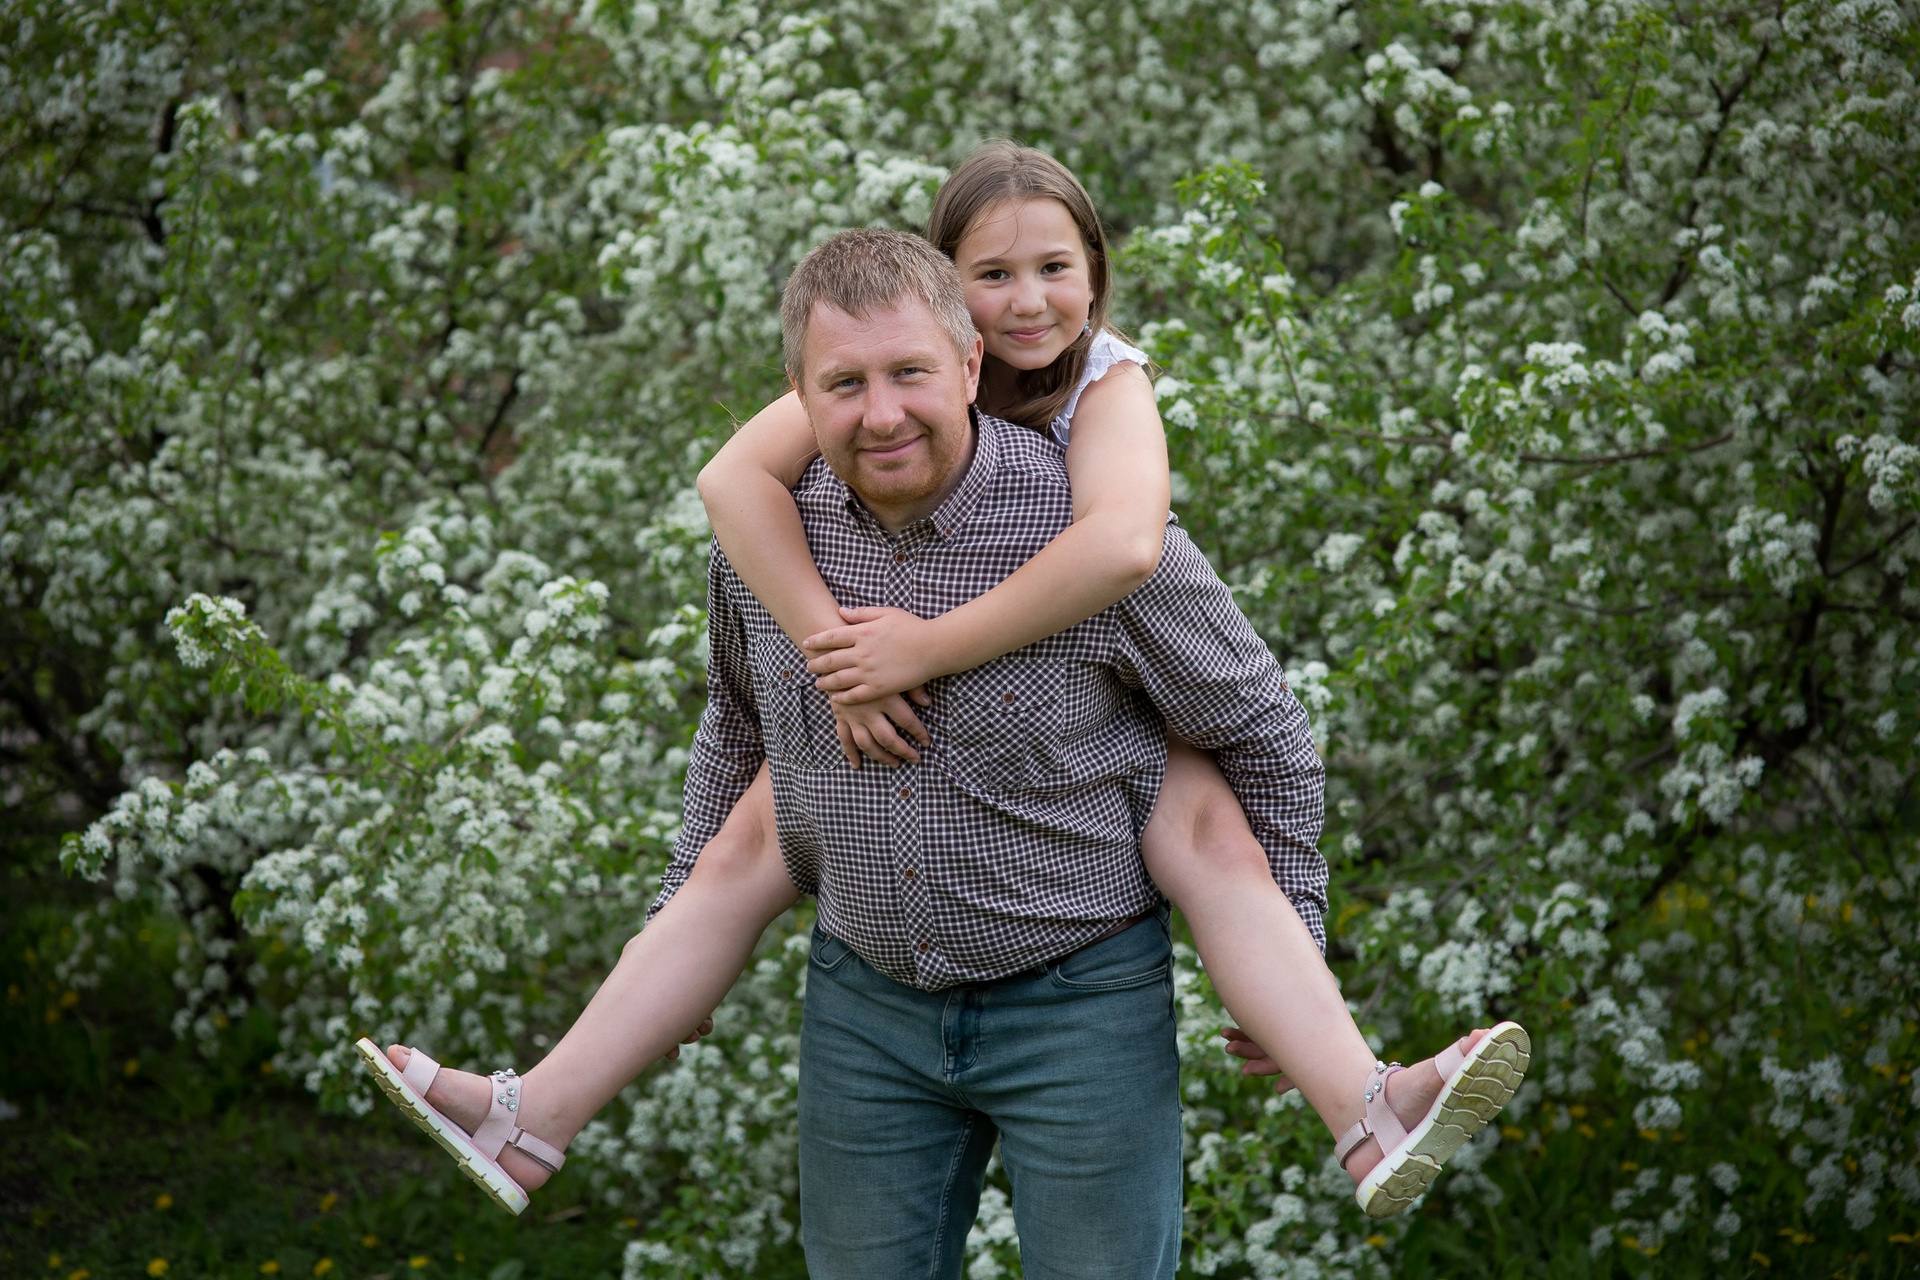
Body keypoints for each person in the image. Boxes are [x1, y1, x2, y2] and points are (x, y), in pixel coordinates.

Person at [355, 153, 1528, 1248]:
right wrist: (822, 664)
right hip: (866, 997)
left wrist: (1300, 938)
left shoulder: (1099, 462)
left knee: (1202, 817)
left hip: (1080, 985)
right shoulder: (780, 525)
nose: (882, 409)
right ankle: (530, 1114)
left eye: (912, 371)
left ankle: (1363, 1095)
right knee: (758, 824)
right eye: (846, 383)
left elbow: (1199, 642)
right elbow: (736, 713)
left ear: (967, 357)